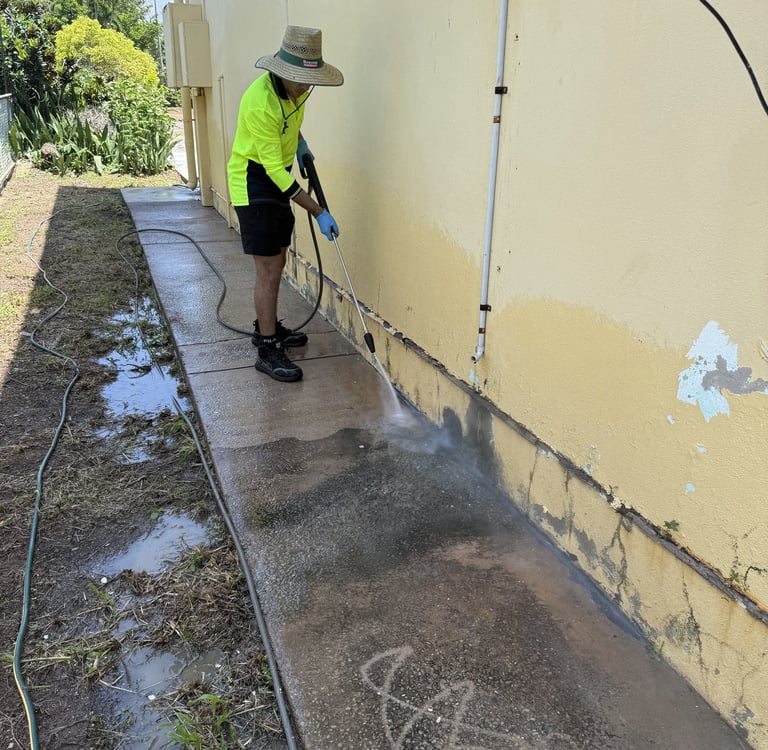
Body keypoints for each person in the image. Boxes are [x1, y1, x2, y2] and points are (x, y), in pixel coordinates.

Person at [227, 26, 343, 383]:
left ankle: (270, 326)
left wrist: (302, 145)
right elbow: (274, 171)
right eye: (300, 81)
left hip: (277, 176)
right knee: (269, 267)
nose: (306, 87)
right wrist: (319, 211)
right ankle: (266, 346)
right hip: (254, 180)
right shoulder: (260, 102)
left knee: (278, 256)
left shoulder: (294, 94)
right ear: (281, 72)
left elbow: (289, 126)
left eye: (309, 81)